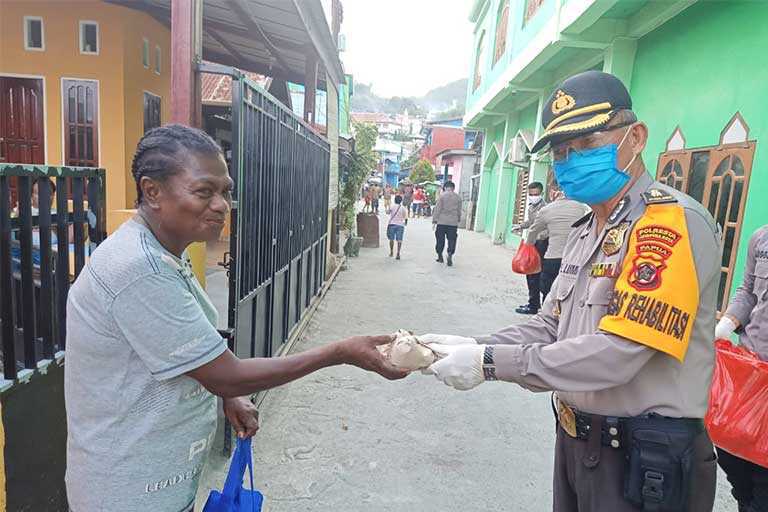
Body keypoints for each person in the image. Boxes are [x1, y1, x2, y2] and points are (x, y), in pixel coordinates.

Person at [64, 124, 409, 511]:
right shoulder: (139, 270)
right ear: (152, 191)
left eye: (225, 191)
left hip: (155, 484)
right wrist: (340, 352)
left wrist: (229, 393)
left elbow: (191, 353)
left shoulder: (162, 255)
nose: (221, 205)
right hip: (126, 494)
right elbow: (224, 372)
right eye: (203, 191)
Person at [420, 71, 720, 511]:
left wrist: (488, 363)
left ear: (635, 138)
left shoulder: (666, 226)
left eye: (587, 144)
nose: (571, 159)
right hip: (579, 443)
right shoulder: (586, 227)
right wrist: (474, 344)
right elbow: (551, 324)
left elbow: (620, 353)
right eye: (562, 151)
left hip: (646, 457)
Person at [714, 224, 768, 511]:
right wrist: (727, 323)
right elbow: (748, 290)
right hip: (750, 373)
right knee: (731, 454)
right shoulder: (760, 238)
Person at [523, 193, 588, 304]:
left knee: (548, 291)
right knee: (571, 292)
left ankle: (548, 316)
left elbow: (532, 231)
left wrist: (530, 246)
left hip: (553, 258)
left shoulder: (547, 210)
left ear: (553, 191)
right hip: (575, 259)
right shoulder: (583, 208)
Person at [513, 182, 549, 314]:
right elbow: (531, 222)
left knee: (539, 275)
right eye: (531, 194)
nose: (533, 196)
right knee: (530, 272)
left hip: (543, 243)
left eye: (536, 194)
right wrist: (521, 226)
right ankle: (533, 303)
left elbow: (548, 227)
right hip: (533, 242)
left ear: (542, 193)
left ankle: (539, 306)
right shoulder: (531, 207)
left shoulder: (546, 208)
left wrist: (540, 236)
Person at [432, 181, 461, 267]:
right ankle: (450, 253)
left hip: (441, 222)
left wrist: (434, 220)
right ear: (453, 188)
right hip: (453, 222)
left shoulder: (442, 196)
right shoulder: (458, 197)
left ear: (445, 187)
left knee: (440, 239)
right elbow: (459, 211)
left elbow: (437, 209)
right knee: (452, 239)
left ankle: (440, 256)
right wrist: (458, 219)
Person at [386, 195, 407, 260]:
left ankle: (391, 252)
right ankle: (398, 253)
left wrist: (388, 207)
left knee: (391, 239)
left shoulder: (392, 206)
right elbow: (405, 217)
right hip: (400, 225)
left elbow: (387, 212)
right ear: (401, 201)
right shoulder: (403, 208)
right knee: (399, 240)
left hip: (392, 224)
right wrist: (405, 223)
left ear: (395, 200)